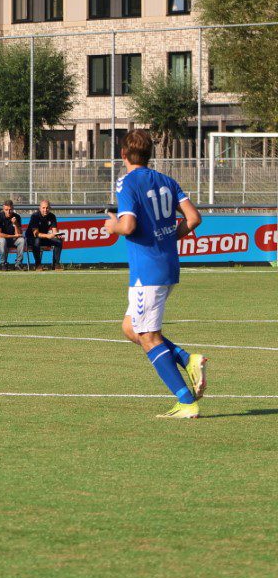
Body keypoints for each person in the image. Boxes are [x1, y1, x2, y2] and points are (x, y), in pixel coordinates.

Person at [104, 129, 206, 419]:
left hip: (146, 271)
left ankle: (186, 401)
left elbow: (128, 226)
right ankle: (187, 359)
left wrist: (112, 226)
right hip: (168, 264)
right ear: (150, 154)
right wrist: (168, 237)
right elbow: (194, 218)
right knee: (130, 328)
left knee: (148, 336)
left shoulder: (126, 181)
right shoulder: (167, 181)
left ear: (123, 154)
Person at [27, 199, 64, 271]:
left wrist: (57, 235)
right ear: (40, 208)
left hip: (43, 238)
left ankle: (56, 264)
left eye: (47, 208)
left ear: (50, 208)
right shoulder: (35, 216)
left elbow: (54, 231)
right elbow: (36, 234)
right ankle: (38, 264)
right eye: (43, 208)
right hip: (31, 238)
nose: (45, 210)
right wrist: (48, 236)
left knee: (58, 241)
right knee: (37, 241)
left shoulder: (52, 216)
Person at [0, 199, 26, 269]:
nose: (8, 212)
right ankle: (3, 263)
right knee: (3, 240)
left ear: (13, 209)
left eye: (10, 210)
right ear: (3, 209)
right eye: (6, 210)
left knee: (21, 240)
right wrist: (14, 236)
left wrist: (15, 224)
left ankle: (18, 263)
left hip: (12, 240)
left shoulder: (17, 217)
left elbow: (19, 234)